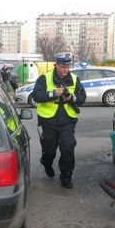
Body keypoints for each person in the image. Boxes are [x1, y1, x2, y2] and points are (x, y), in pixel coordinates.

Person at [32, 52, 87, 188]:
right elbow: (36, 96)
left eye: (68, 67)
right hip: (48, 121)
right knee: (50, 150)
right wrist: (53, 94)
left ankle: (66, 178)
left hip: (67, 121)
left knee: (68, 147)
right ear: (56, 65)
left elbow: (82, 97)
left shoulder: (74, 79)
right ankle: (47, 163)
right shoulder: (44, 78)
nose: (65, 70)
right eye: (62, 67)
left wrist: (71, 98)